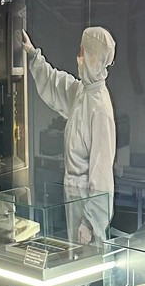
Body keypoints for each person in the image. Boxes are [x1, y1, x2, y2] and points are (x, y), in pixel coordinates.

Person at [22, 27, 116, 243]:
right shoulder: (84, 91)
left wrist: (90, 222)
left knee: (88, 255)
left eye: (82, 52)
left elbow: (102, 173)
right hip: (74, 193)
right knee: (75, 254)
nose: (78, 57)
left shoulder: (100, 107)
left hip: (86, 201)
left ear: (93, 58)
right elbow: (57, 83)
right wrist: (33, 54)